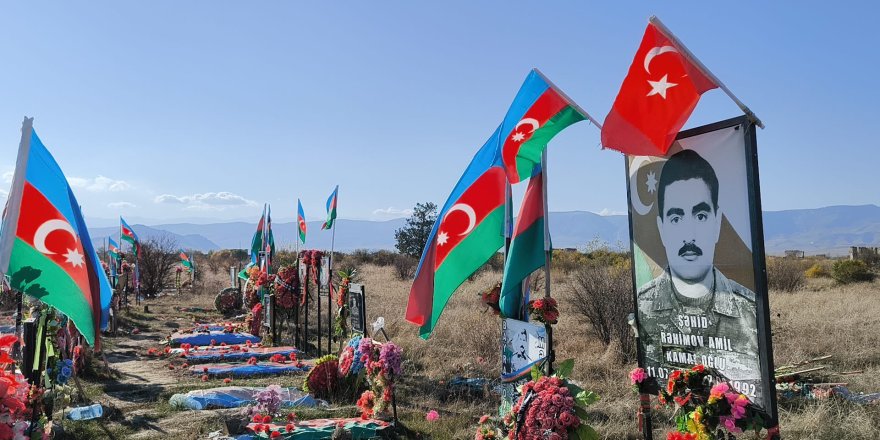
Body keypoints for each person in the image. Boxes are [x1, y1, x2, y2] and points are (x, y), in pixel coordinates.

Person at [637, 149, 762, 403]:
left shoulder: (748, 309)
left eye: (701, 215)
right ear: (661, 228)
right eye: (676, 218)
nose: (689, 236)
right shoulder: (643, 305)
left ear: (717, 223)